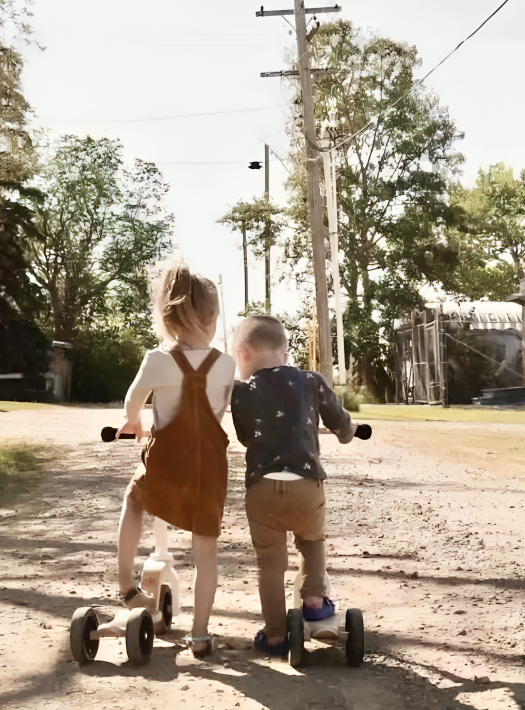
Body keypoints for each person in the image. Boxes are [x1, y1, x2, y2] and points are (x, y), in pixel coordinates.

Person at [116, 259, 236, 658]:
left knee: (135, 501)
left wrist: (134, 423)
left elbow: (132, 402)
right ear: (213, 318)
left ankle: (126, 585)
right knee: (206, 551)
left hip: (167, 462)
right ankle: (200, 633)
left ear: (168, 317)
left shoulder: (157, 361)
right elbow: (218, 413)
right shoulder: (227, 365)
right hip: (207, 471)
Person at [230, 314, 356, 656]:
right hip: (305, 484)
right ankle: (314, 602)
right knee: (311, 541)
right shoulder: (311, 381)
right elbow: (341, 423)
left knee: (270, 562)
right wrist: (348, 432)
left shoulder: (240, 392)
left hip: (263, 488)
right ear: (284, 353)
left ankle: (273, 635)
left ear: (242, 353)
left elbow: (245, 438)